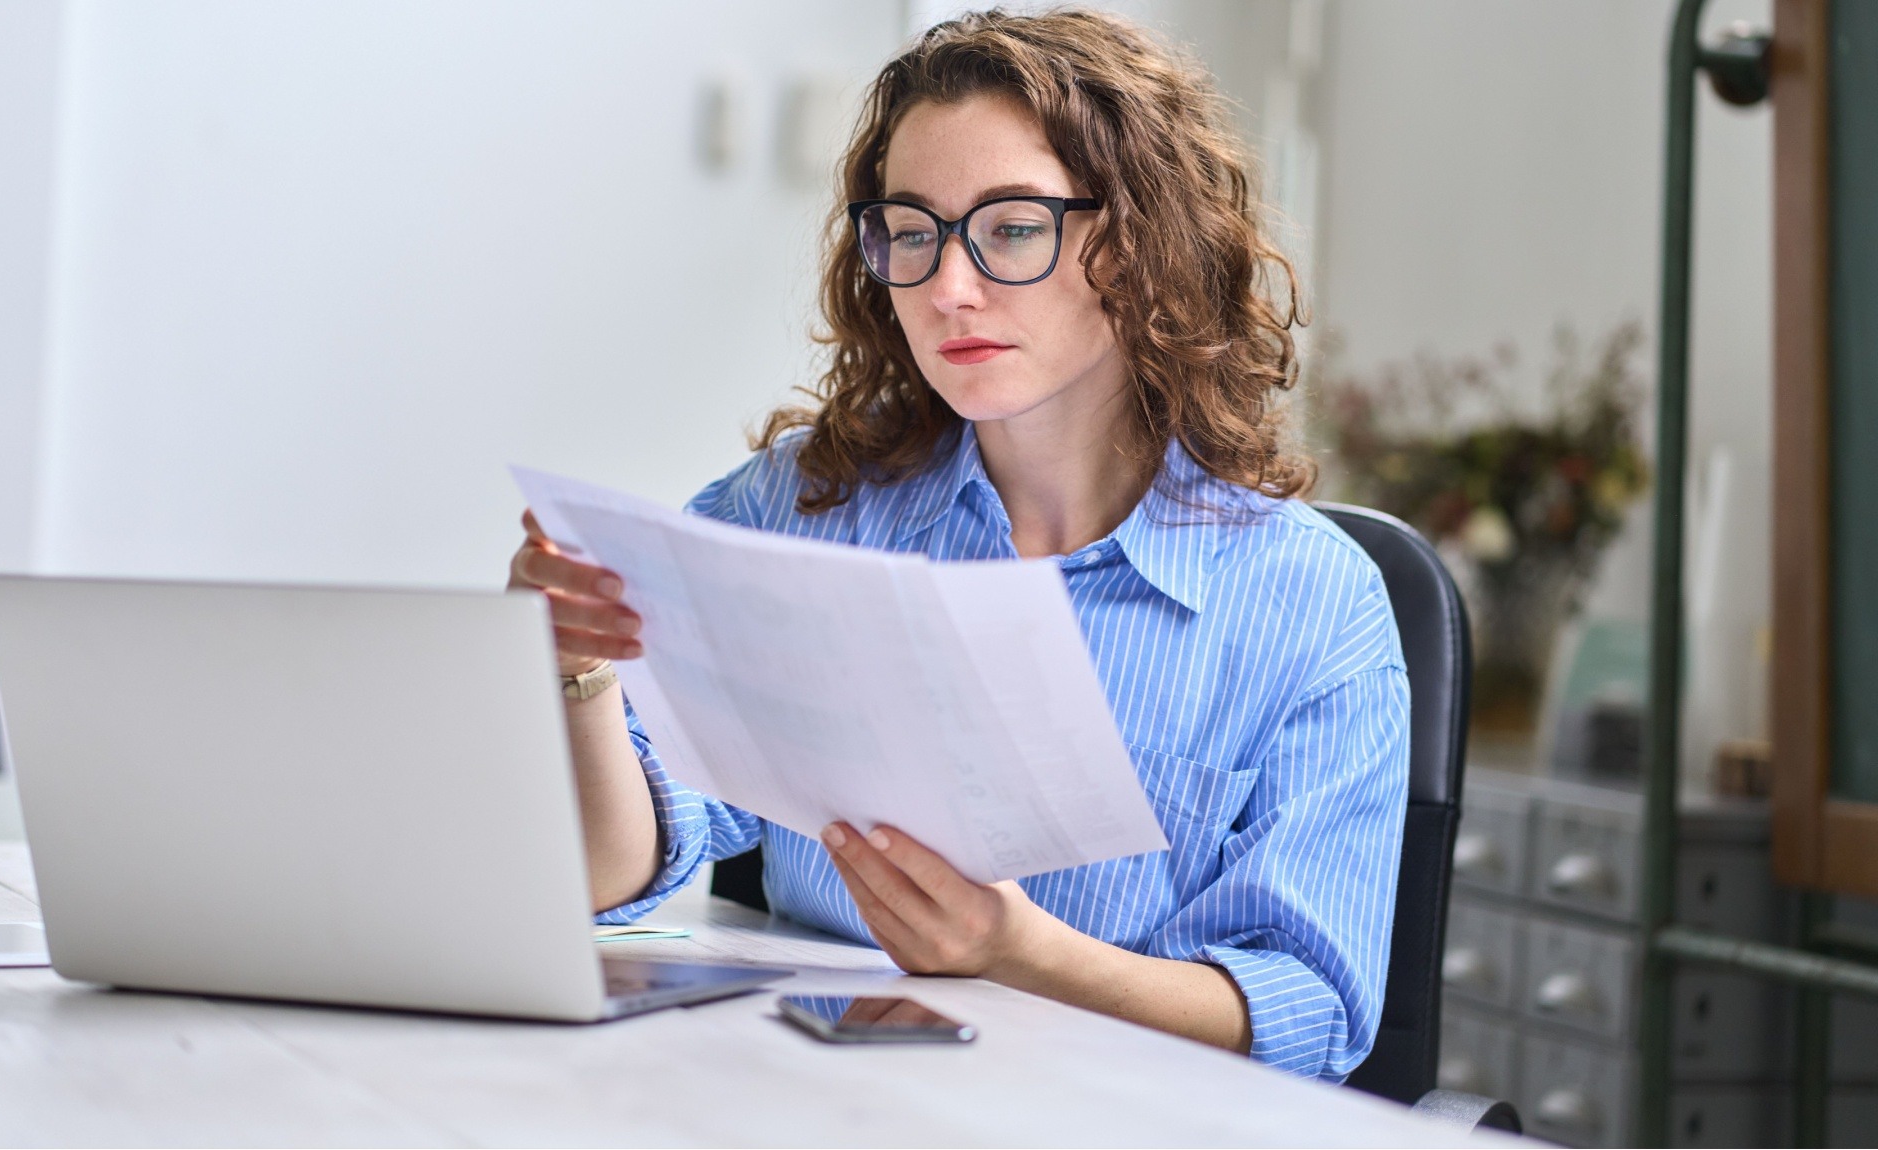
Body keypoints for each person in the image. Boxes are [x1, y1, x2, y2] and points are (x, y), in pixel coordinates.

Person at [509, 9, 1408, 1082]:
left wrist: (1022, 956)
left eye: (1012, 227)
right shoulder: (801, 507)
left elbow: (1311, 1009)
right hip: (803, 1099)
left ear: (1134, 245)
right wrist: (580, 672)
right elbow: (618, 872)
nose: (948, 287)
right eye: (913, 229)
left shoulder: (1313, 600)